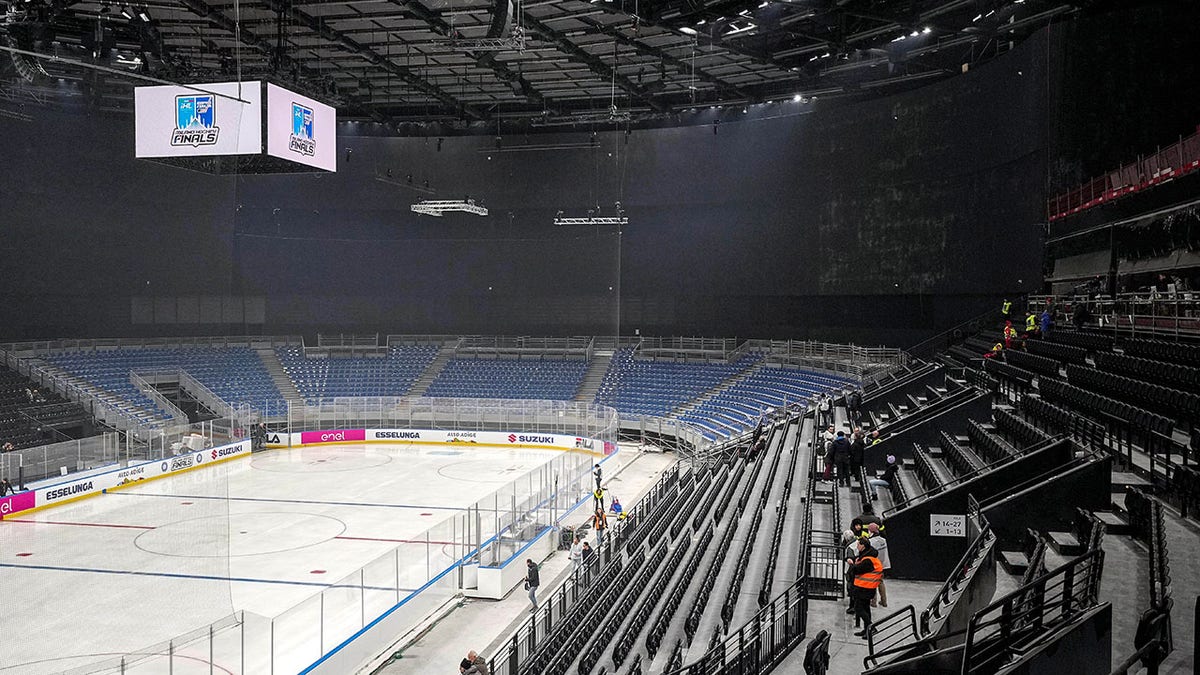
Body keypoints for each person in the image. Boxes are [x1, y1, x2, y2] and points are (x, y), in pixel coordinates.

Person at [848, 537, 883, 637]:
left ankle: (872, 628)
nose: (857, 546)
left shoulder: (868, 560)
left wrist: (852, 564)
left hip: (864, 588)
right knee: (866, 608)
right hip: (867, 588)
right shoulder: (867, 556)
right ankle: (866, 630)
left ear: (863, 546)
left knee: (858, 608)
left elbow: (858, 569)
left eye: (858, 544)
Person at [867, 523, 891, 608]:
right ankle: (884, 601)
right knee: (880, 582)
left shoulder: (871, 542)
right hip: (882, 564)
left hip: (873, 565)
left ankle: (873, 602)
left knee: (873, 583)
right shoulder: (883, 540)